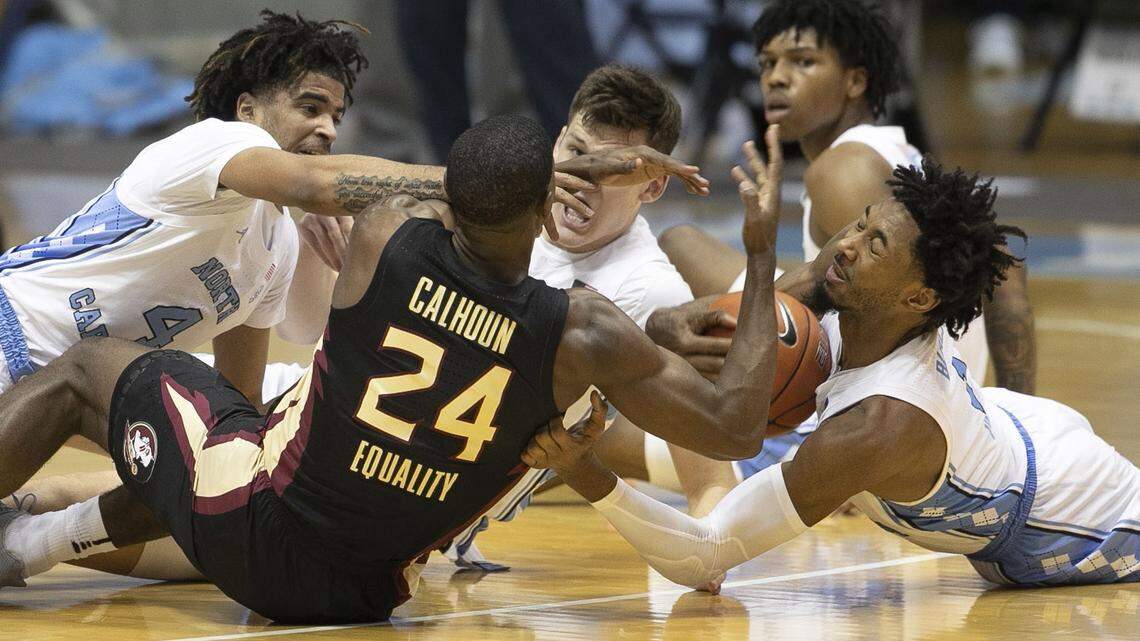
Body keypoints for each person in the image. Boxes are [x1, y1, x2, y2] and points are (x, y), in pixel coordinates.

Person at [0, 115, 785, 622]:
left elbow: (421, 185)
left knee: (90, 371)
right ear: (547, 210)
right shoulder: (583, 333)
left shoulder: (384, 234)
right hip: (364, 596)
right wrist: (757, 251)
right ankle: (27, 548)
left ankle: (31, 540)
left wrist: (557, 166)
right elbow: (738, 422)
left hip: (252, 527)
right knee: (213, 425)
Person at [527, 158, 1140, 591]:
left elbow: (706, 558)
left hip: (1076, 513)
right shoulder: (848, 281)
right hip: (1014, 428)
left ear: (920, 297)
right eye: (862, 222)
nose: (847, 245)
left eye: (876, 246)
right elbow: (714, 327)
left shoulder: (881, 423)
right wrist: (661, 330)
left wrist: (583, 470)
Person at [647, 0, 1036, 486]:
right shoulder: (878, 148)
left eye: (803, 62)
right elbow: (1004, 259)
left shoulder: (843, 170)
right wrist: (1020, 407)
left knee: (621, 429)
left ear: (855, 81)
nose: (777, 78)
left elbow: (859, 304)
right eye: (768, 64)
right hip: (928, 399)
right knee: (682, 243)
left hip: (892, 410)